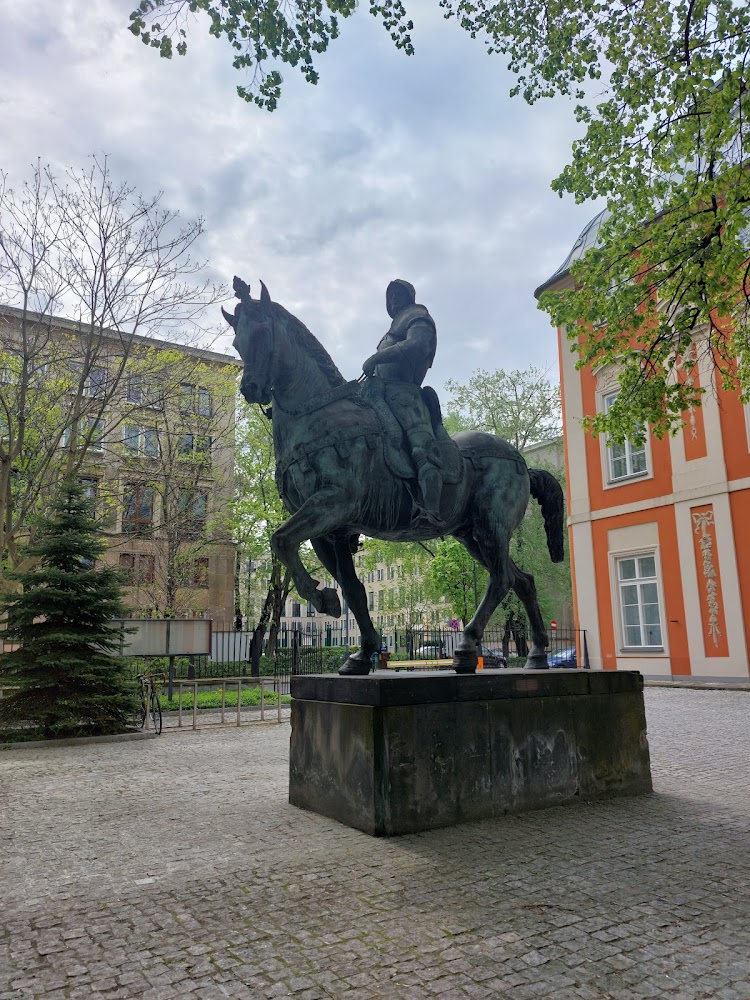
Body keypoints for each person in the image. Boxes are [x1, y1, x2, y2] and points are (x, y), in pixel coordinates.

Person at [362, 280, 443, 527]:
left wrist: (378, 356)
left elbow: (417, 345)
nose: (394, 300)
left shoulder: (419, 317)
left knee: (422, 450)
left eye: (398, 295)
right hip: (381, 393)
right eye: (391, 296)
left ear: (409, 297)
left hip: (407, 396)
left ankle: (431, 510)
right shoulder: (392, 329)